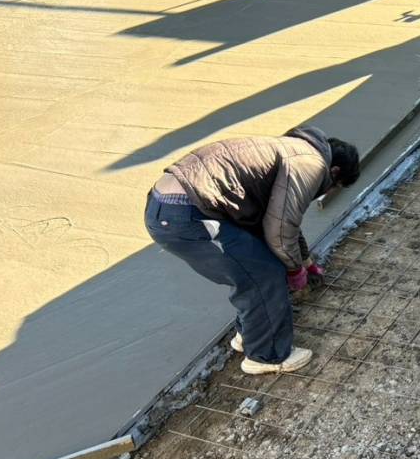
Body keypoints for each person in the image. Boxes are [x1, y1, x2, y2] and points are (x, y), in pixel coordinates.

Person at [144, 128, 361, 375]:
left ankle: (250, 335)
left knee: (254, 265)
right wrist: (294, 270)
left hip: (175, 203)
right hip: (184, 213)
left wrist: (306, 261)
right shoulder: (312, 165)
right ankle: (266, 355)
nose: (329, 191)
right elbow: (280, 230)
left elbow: (283, 220)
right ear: (335, 172)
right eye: (335, 187)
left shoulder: (296, 148)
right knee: (263, 275)